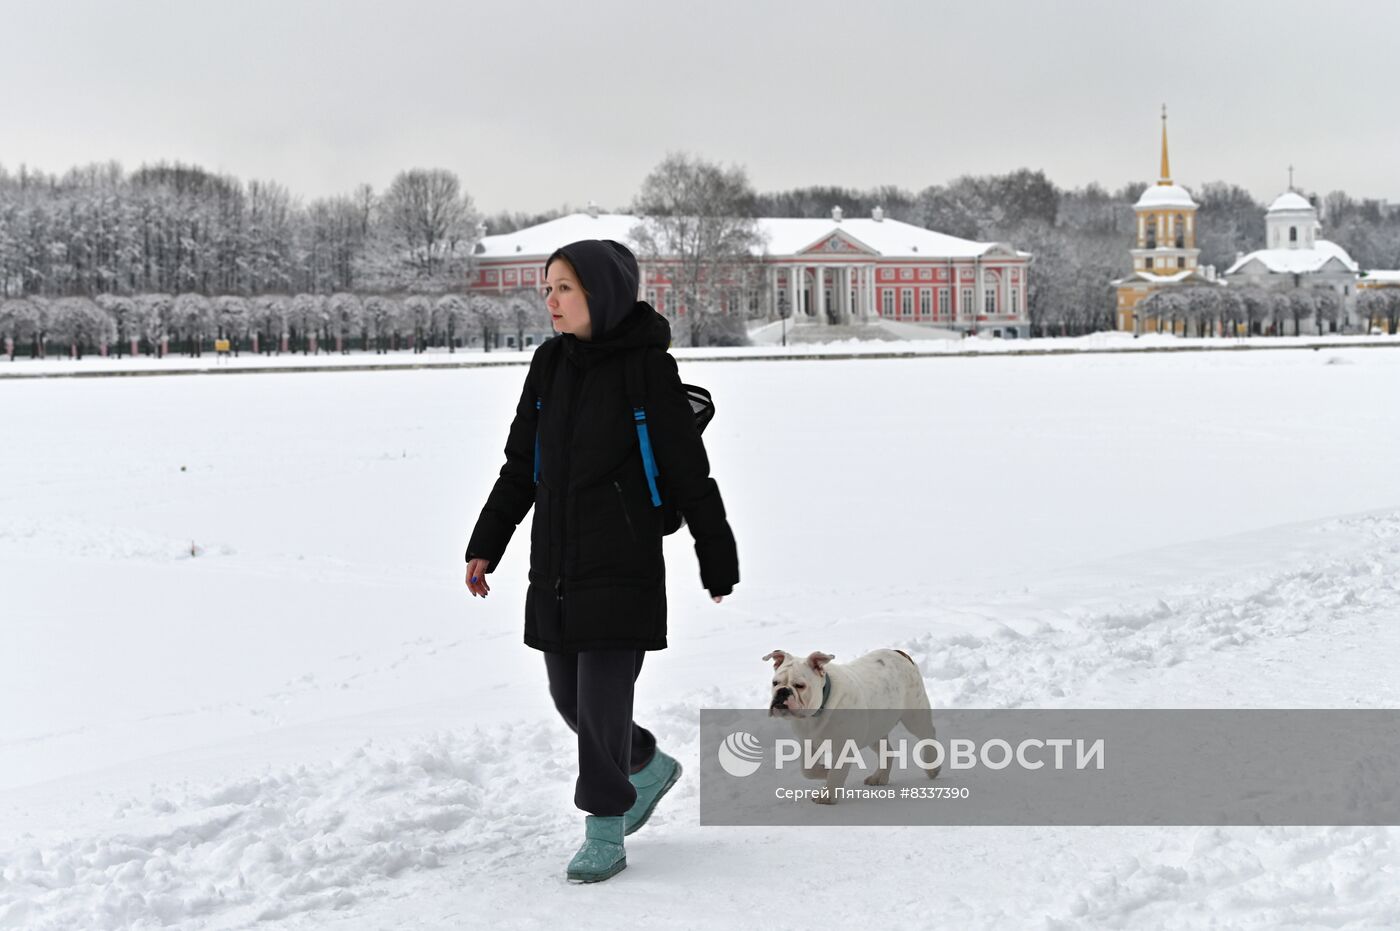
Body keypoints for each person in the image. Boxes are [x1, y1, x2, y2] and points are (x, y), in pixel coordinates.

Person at [464, 239, 739, 883]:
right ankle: (645, 762)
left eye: (564, 287)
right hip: (556, 564)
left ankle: (605, 826)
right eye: (549, 287)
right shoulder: (548, 365)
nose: (550, 300)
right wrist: (486, 544)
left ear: (601, 294)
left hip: (624, 561)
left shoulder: (649, 370)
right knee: (569, 698)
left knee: (602, 702)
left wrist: (716, 555)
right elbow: (519, 468)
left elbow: (688, 474)